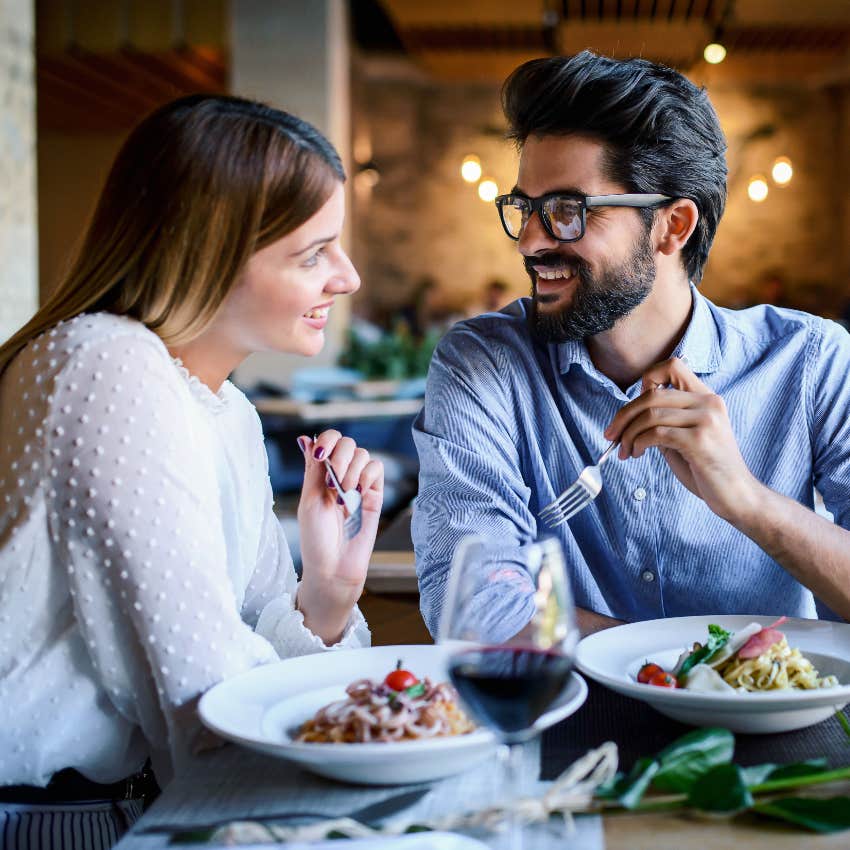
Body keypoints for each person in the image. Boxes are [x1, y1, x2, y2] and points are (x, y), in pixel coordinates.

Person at [0, 94, 383, 848]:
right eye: (313, 254)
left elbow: (243, 641)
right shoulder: (104, 364)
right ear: (206, 253)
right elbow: (207, 698)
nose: (348, 279)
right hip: (45, 825)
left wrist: (327, 595)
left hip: (134, 810)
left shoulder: (224, 409)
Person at [412, 51, 850, 642]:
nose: (531, 242)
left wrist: (747, 499)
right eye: (526, 209)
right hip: (566, 725)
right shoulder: (486, 363)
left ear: (673, 226)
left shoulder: (812, 361)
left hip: (773, 732)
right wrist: (680, 668)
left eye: (568, 211)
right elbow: (470, 608)